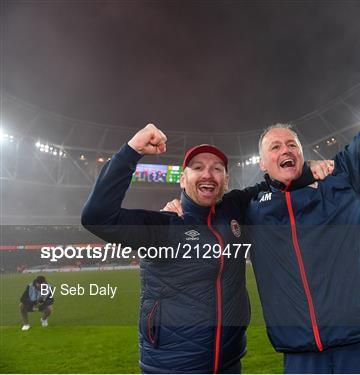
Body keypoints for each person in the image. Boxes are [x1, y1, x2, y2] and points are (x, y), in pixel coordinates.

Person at [164, 16, 360, 373]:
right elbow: (204, 205)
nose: (285, 148)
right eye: (275, 146)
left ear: (302, 153)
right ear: (263, 163)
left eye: (292, 143)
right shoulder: (249, 206)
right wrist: (180, 203)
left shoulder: (343, 178)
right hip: (302, 356)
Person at [81, 124, 333, 373]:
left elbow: (276, 182)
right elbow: (97, 216)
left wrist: (306, 169)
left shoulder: (235, 208)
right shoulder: (165, 225)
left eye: (217, 169)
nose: (208, 174)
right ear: (182, 178)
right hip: (172, 368)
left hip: (229, 363)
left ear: (226, 180)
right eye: (197, 168)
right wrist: (132, 150)